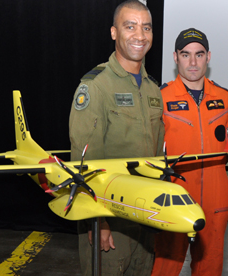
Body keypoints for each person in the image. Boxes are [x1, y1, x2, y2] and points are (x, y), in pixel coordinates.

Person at [68, 1, 164, 275]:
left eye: (146, 28)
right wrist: (99, 222)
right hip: (111, 219)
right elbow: (83, 163)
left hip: (146, 216)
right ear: (113, 32)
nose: (140, 35)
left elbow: (158, 158)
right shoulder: (96, 86)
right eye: (130, 26)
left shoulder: (152, 89)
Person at [151, 28, 228, 276]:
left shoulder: (225, 98)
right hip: (173, 195)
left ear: (208, 57)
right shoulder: (160, 97)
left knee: (210, 265)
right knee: (165, 265)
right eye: (186, 54)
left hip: (216, 195)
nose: (192, 62)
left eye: (199, 54)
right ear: (175, 57)